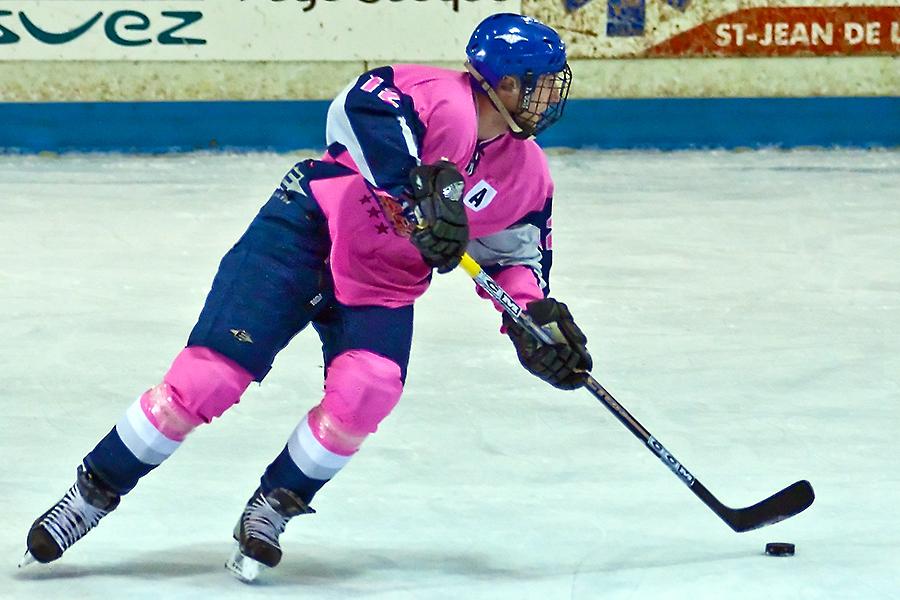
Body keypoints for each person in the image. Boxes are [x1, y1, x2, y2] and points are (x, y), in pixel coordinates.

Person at [20, 13, 592, 581]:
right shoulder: (438, 98)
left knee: (369, 389)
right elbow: (356, 109)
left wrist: (532, 320)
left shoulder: (527, 173)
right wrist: (413, 188)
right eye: (540, 84)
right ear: (506, 83)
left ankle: (274, 505)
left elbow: (515, 258)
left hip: (383, 279)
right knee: (209, 378)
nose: (550, 98)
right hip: (304, 232)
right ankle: (92, 493)